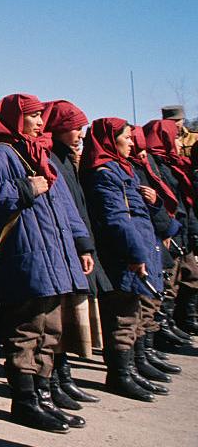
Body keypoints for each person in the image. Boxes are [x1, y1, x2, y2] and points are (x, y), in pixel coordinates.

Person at [0, 93, 93, 434]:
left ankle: (43, 395)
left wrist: (81, 243)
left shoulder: (40, 153)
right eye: (34, 116)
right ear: (15, 118)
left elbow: (66, 206)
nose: (41, 123)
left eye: (41, 116)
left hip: (55, 254)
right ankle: (24, 401)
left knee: (51, 330)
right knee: (27, 330)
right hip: (26, 254)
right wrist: (24, 188)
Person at [80, 118, 166, 402]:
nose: (132, 142)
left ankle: (134, 366)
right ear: (110, 140)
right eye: (126, 137)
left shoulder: (120, 168)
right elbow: (116, 218)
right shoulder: (104, 173)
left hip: (136, 249)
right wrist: (135, 253)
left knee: (136, 312)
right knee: (123, 316)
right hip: (123, 256)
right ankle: (120, 374)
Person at [42, 100, 107, 408]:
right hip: (58, 246)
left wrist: (84, 244)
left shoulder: (66, 159)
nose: (80, 134)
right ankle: (54, 381)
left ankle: (63, 378)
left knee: (64, 320)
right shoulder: (49, 158)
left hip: (72, 243)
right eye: (74, 128)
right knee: (55, 320)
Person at [143, 119, 198, 338]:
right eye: (173, 136)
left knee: (189, 276)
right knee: (168, 281)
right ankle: (163, 327)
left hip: (181, 228)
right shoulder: (153, 163)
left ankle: (183, 318)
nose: (178, 141)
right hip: (168, 231)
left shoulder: (172, 163)